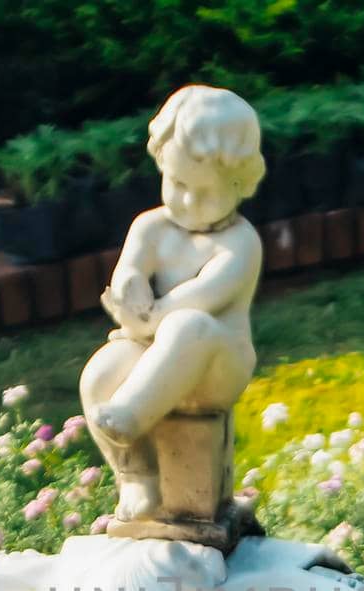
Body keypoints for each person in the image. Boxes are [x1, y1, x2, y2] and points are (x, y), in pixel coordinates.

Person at [80, 85, 265, 525]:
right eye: (177, 183)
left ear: (240, 184)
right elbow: (129, 273)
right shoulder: (151, 227)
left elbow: (200, 297)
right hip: (150, 345)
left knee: (188, 325)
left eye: (204, 193)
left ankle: (129, 413)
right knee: (100, 373)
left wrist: (146, 317)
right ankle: (136, 478)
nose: (185, 201)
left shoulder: (240, 243)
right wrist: (130, 290)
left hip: (218, 364)